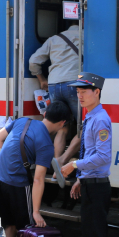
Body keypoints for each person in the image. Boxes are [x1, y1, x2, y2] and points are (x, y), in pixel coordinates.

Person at [0, 101, 71, 237]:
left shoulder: (22, 121)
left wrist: (11, 158)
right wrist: (36, 212)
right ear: (62, 123)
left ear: (45, 114)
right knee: (24, 229)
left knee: (7, 226)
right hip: (17, 184)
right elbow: (38, 179)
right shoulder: (46, 144)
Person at [59, 73, 112, 237]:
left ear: (97, 92)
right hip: (91, 183)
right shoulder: (92, 116)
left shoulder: (100, 119)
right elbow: (92, 154)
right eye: (77, 91)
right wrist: (82, 177)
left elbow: (102, 156)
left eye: (84, 91)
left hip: (97, 188)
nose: (79, 95)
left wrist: (74, 166)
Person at [29, 22, 81, 170]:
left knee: (62, 127)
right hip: (74, 84)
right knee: (83, 127)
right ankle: (62, 161)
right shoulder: (86, 36)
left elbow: (33, 61)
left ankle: (55, 161)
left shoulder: (54, 39)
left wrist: (42, 80)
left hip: (54, 85)